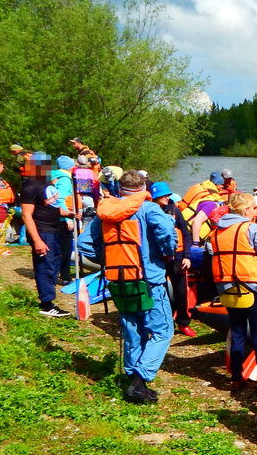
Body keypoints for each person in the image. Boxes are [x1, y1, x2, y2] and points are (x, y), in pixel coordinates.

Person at [79, 171, 177, 403]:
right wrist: (166, 253)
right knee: (163, 331)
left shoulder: (105, 211)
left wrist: (108, 259)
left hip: (118, 277)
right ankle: (140, 380)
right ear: (143, 187)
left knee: (132, 327)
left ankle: (132, 376)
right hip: (148, 279)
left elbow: (84, 245)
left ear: (120, 190)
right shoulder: (149, 209)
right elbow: (167, 234)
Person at [209, 191, 257, 389]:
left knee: (237, 331)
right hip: (251, 287)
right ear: (245, 210)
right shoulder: (252, 228)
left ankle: (236, 377)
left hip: (227, 287)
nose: (255, 211)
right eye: (253, 208)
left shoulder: (217, 230)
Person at [20, 153, 77, 317]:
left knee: (54, 265)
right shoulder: (29, 187)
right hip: (42, 232)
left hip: (54, 230)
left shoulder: (46, 184)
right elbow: (26, 215)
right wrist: (37, 240)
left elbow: (51, 207)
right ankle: (47, 304)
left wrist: (69, 214)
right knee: (45, 266)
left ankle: (49, 300)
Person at [150, 181, 196, 337]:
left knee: (181, 292)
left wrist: (187, 256)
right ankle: (159, 322)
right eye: (164, 195)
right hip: (156, 258)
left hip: (178, 256)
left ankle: (183, 323)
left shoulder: (175, 210)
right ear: (155, 197)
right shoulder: (149, 210)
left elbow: (186, 234)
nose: (167, 197)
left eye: (168, 194)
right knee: (157, 291)